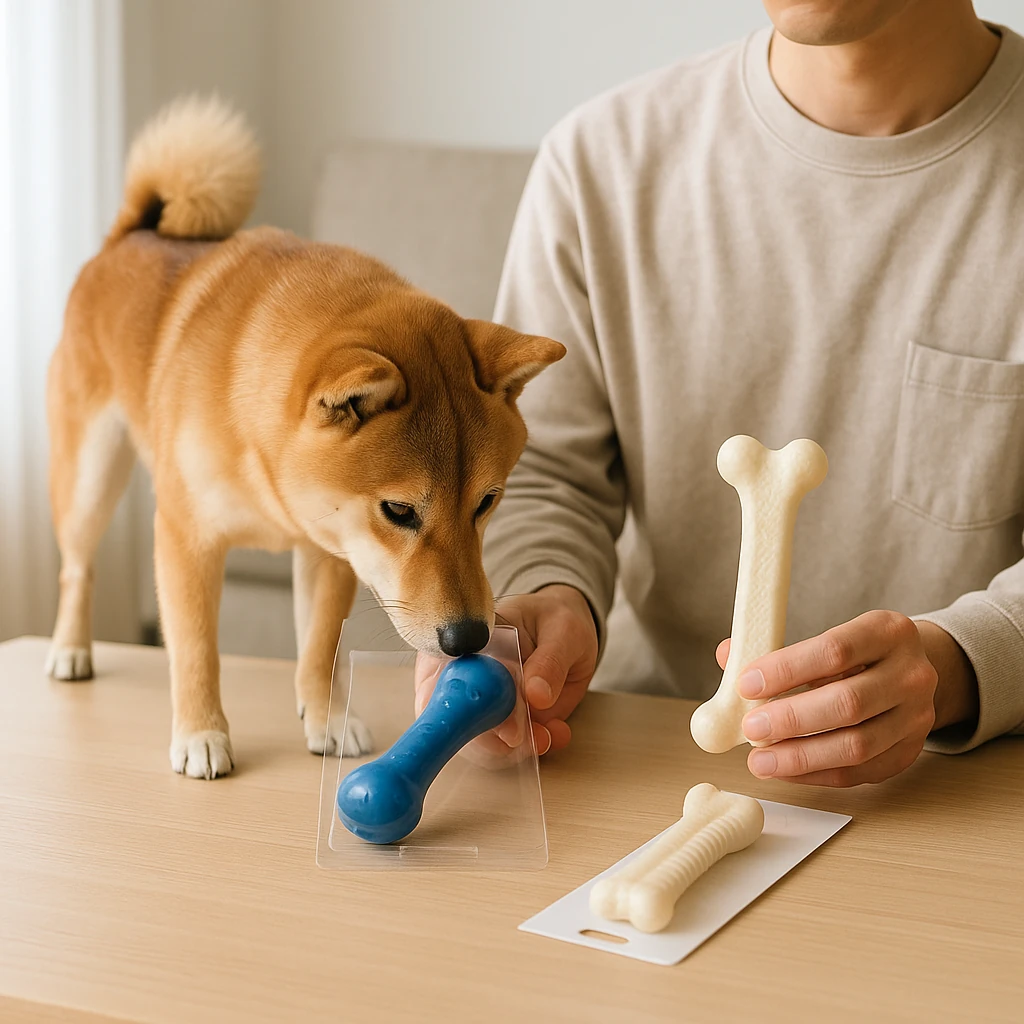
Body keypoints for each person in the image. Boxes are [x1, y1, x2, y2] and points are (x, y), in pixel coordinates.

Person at [423, 0, 1024, 786]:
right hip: (642, 758)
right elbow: (547, 472)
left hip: (962, 792)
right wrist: (546, 595)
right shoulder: (598, 164)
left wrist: (958, 665)